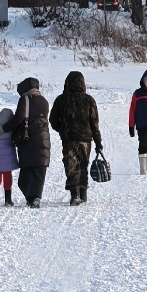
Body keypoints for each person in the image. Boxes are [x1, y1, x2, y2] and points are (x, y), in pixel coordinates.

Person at [49, 69, 103, 207]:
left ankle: (75, 194)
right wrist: (98, 142)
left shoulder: (61, 100)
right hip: (85, 139)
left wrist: (62, 129)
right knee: (83, 165)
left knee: (71, 165)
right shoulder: (89, 100)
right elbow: (94, 123)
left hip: (69, 139)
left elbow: (53, 120)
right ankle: (83, 193)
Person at [6, 76, 50, 207]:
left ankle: (33, 198)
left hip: (28, 139)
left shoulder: (25, 99)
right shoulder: (44, 101)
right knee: (39, 169)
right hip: (44, 139)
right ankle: (34, 197)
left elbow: (18, 118)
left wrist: (4, 128)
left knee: (26, 172)